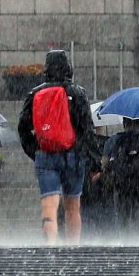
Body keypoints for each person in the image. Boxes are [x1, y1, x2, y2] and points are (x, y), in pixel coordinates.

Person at [18, 49, 99, 245]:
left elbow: (23, 128)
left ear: (46, 69)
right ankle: (72, 247)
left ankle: (50, 246)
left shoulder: (35, 93)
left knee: (49, 204)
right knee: (72, 206)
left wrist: (36, 151)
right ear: (68, 68)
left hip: (45, 154)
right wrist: (94, 161)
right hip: (74, 155)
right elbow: (87, 129)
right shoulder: (78, 93)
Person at [79, 127, 116, 244]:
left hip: (87, 195)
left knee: (87, 235)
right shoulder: (110, 143)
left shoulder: (79, 144)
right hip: (102, 196)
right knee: (108, 235)